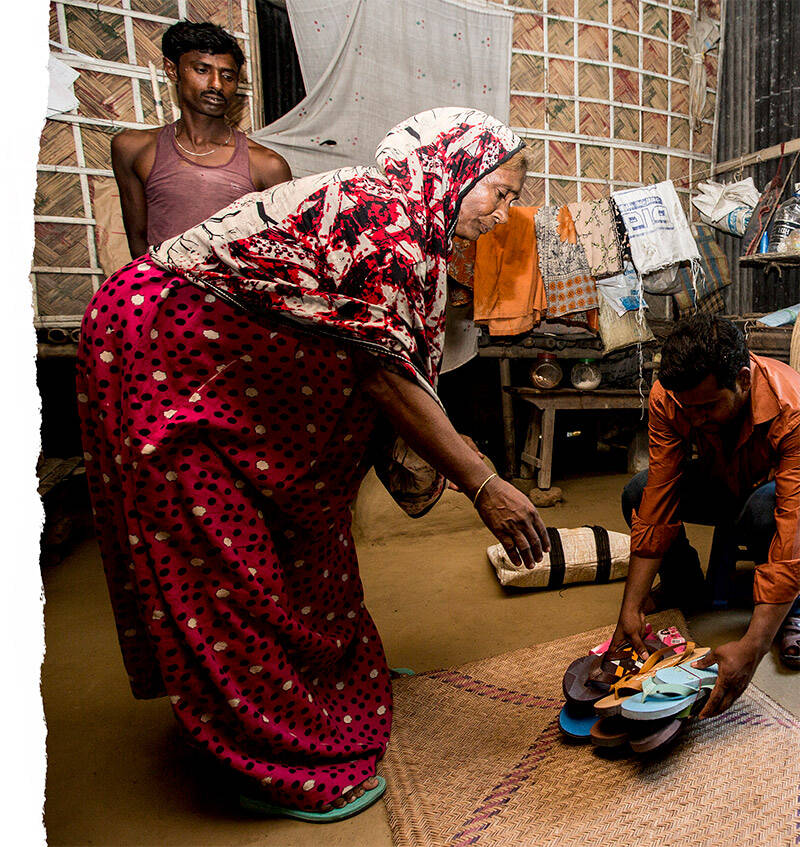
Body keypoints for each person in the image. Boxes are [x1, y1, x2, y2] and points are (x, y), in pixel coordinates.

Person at [76, 108, 549, 820]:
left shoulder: (414, 230)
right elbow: (387, 378)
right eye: (500, 192)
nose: (504, 212)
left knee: (312, 524)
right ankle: (274, 760)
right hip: (162, 354)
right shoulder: (382, 223)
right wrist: (485, 484)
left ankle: (326, 685)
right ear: (453, 171)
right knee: (221, 562)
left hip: (246, 375)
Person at [612, 314, 800, 720]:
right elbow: (659, 498)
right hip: (724, 480)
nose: (696, 419)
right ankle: (685, 587)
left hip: (779, 495)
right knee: (637, 491)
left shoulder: (792, 408)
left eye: (710, 406)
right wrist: (630, 606)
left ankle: (793, 612)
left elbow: (792, 531)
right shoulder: (670, 396)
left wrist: (751, 647)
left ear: (744, 380)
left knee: (766, 515)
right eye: (689, 409)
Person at [111, 20, 291, 257]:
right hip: (164, 289)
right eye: (202, 70)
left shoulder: (267, 165)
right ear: (172, 69)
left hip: (230, 292)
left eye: (228, 76)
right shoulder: (134, 148)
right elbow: (137, 240)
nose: (216, 85)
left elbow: (283, 252)